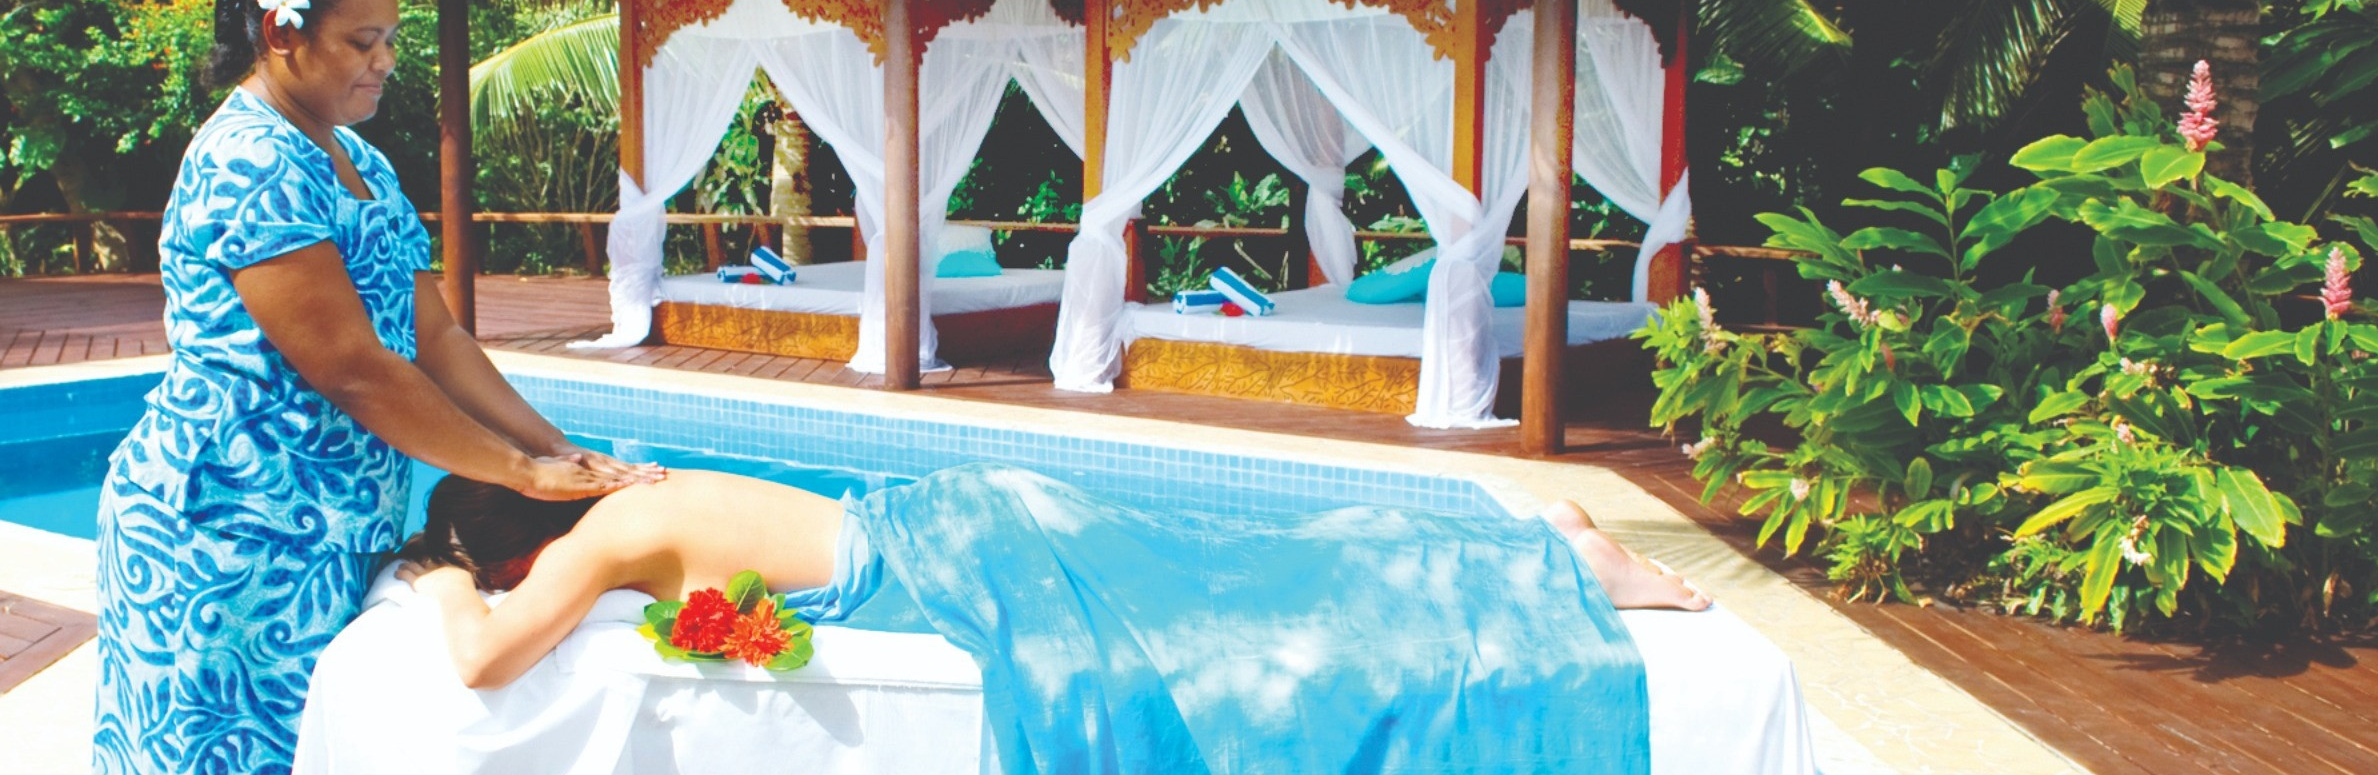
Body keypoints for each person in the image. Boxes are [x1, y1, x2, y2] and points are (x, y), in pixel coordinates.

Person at [93, 0, 660, 775]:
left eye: (391, 38)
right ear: (284, 32)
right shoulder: (250, 159)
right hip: (227, 533)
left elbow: (435, 335)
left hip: (321, 528)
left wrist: (549, 446)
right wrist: (516, 473)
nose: (386, 59)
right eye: (363, 41)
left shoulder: (358, 160)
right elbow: (354, 371)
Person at [399, 468, 1710, 690]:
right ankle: (1540, 546)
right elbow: (774, 640)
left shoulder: (587, 549)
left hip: (954, 562)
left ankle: (1560, 564)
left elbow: (480, 660)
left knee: (1257, 601)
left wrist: (444, 583)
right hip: (958, 515)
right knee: (1247, 564)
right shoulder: (636, 497)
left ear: (517, 545)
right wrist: (697, 634)